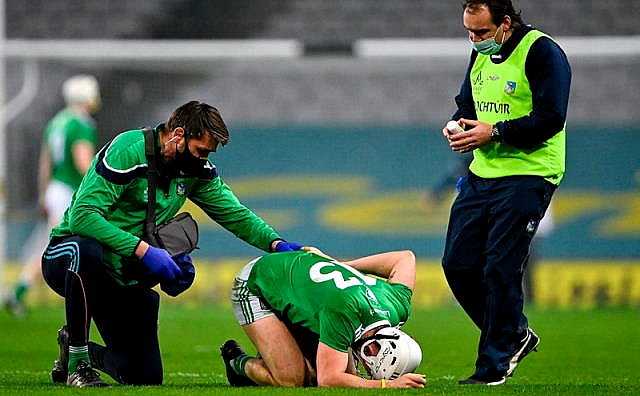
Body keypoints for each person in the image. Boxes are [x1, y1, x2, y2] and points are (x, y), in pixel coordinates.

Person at [41, 100, 303, 387]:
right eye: (200, 150)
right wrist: (145, 251)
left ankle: (75, 348)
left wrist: (275, 243)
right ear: (178, 135)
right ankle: (79, 366)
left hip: (122, 276)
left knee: (144, 376)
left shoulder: (195, 171)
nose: (204, 159)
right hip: (68, 259)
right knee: (86, 249)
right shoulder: (128, 150)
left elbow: (235, 214)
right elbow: (82, 218)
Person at [440, 0, 571, 385]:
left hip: (530, 173)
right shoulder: (481, 52)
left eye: (481, 32)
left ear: (506, 24)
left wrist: (493, 131)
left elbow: (551, 117)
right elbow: (467, 102)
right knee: (458, 265)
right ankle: (515, 334)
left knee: (500, 267)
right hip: (484, 172)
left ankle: (492, 367)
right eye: (469, 32)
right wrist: (457, 125)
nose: (474, 40)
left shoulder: (543, 52)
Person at [220, 247, 426, 388]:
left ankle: (276, 351)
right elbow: (329, 379)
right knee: (291, 379)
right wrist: (386, 385)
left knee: (334, 375)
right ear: (372, 350)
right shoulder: (345, 311)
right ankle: (236, 364)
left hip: (297, 286)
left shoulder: (397, 305)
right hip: (258, 283)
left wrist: (341, 265)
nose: (367, 367)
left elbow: (406, 258)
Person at [3, 74, 101, 317]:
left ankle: (19, 292)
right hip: (70, 191)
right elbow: (83, 163)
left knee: (49, 243)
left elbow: (45, 163)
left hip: (55, 189)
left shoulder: (58, 121)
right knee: (60, 246)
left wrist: (44, 194)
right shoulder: (81, 123)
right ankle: (23, 293)